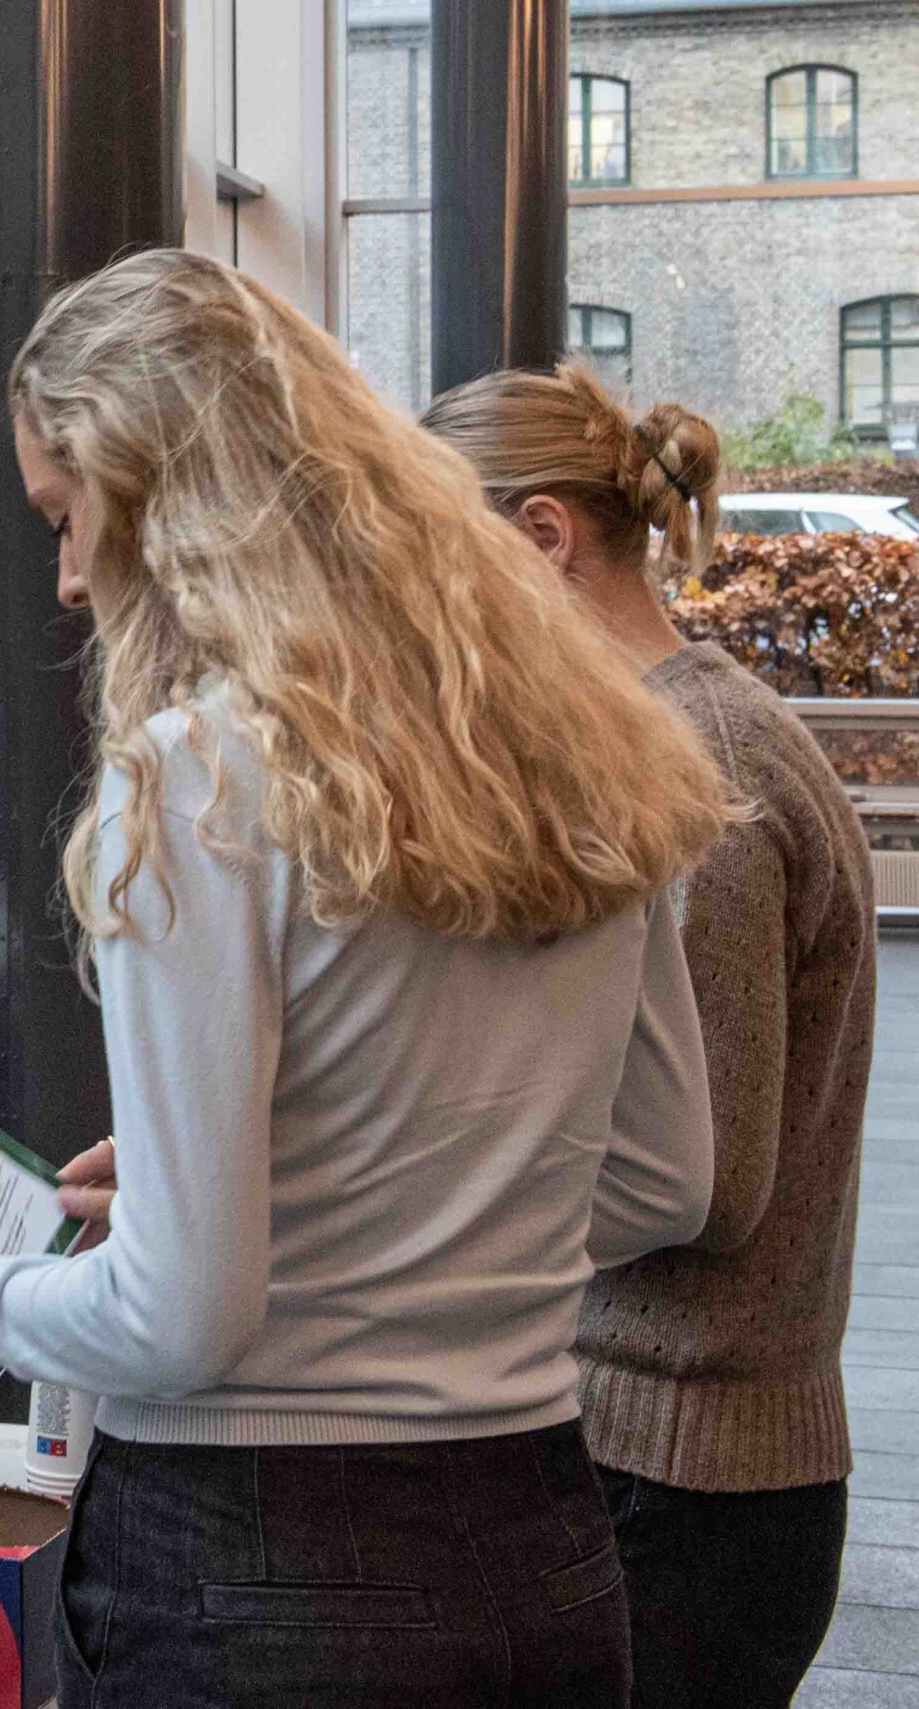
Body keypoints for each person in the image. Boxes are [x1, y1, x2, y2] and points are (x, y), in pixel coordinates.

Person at [0, 248, 729, 1707]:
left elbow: (182, 1320)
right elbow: (660, 1180)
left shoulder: (194, 783)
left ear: (161, 494)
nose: (67, 580)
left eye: (70, 520)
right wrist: (319, 1185)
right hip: (540, 1552)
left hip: (263, 1576)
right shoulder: (581, 750)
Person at [423, 365, 876, 1708]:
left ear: (543, 536)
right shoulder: (676, 741)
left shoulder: (706, 775)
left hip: (693, 1494)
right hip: (678, 1473)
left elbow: (710, 1185)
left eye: (444, 556)